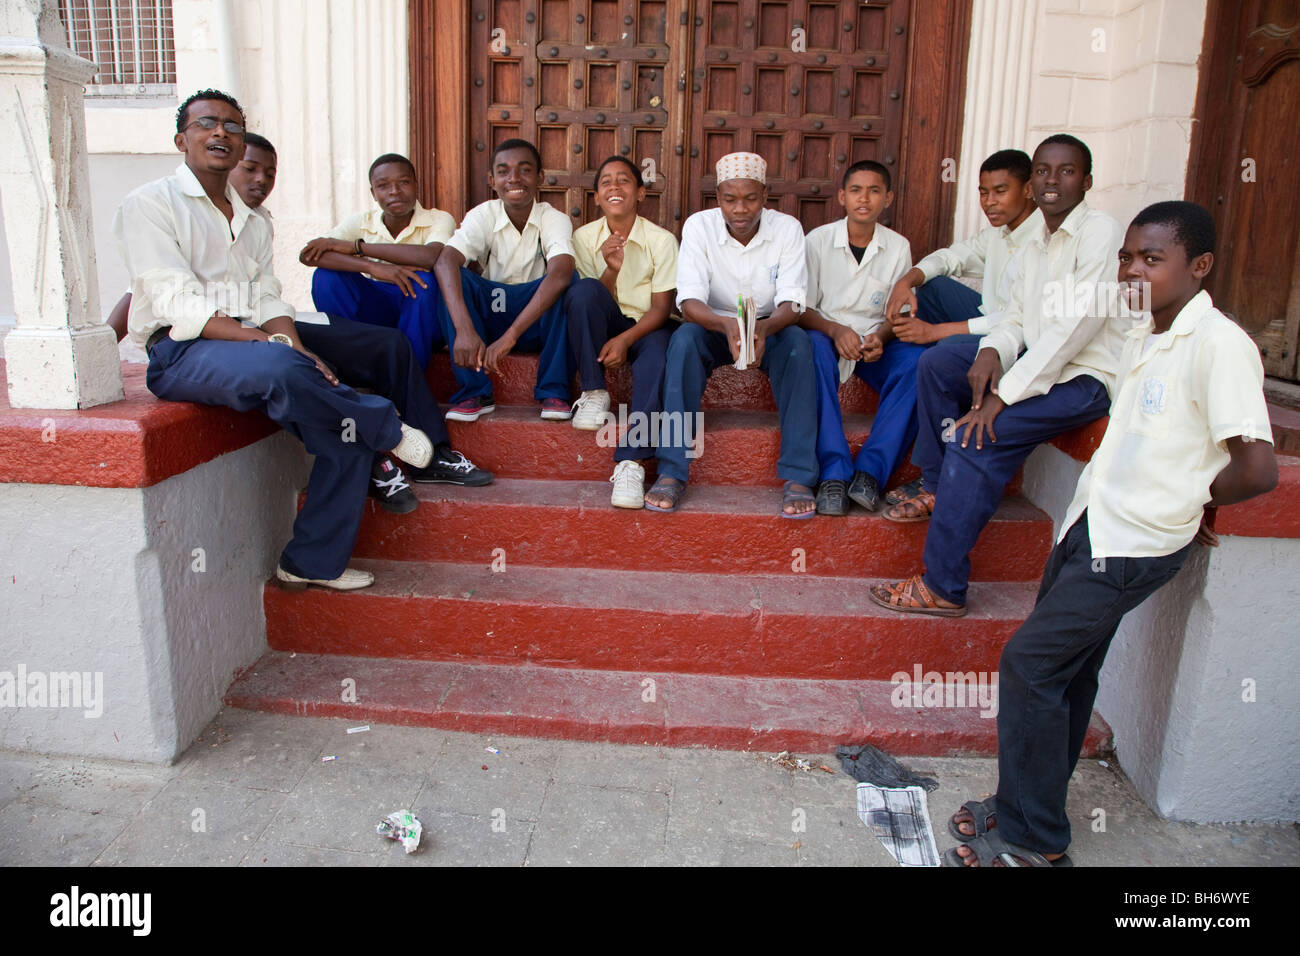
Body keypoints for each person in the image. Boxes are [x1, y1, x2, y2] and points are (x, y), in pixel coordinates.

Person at [946, 201, 1277, 867]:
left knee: (1031, 663)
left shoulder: (1219, 345)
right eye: (1127, 256)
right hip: (1092, 522)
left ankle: (1033, 842)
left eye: (1151, 259)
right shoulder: (1145, 331)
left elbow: (1257, 467)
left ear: (1199, 266)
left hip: (1135, 543)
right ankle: (1024, 807)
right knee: (1067, 671)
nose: (1132, 270)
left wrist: (1194, 499)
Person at [114, 89, 447, 590]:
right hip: (182, 349)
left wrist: (296, 344)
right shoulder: (151, 205)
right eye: (207, 124)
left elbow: (269, 298)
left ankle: (310, 562)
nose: (221, 133)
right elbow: (179, 304)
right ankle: (385, 427)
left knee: (350, 388)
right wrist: (271, 347)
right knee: (290, 370)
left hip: (250, 335)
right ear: (182, 139)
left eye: (232, 125)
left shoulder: (254, 220)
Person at [871, 134, 1125, 615]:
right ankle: (935, 482)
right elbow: (1016, 319)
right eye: (1045, 171)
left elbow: (1075, 328)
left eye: (1066, 171)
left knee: (974, 438)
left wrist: (1002, 394)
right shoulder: (1035, 245)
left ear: (1086, 181)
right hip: (1039, 364)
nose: (1053, 181)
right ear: (1035, 181)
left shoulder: (1100, 233)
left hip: (1083, 378)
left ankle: (942, 586)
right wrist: (991, 352)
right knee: (942, 362)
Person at [643, 152, 818, 517]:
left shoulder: (787, 229)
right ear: (717, 197)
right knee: (683, 343)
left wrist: (763, 329)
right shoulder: (698, 226)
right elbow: (689, 300)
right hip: (714, 325)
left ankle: (800, 476)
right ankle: (673, 470)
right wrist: (727, 326)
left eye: (750, 198)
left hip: (772, 326)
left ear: (765, 196)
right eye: (729, 199)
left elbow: (794, 302)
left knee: (800, 347)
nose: (740, 209)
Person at [800, 160, 921, 515]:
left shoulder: (898, 247)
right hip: (826, 332)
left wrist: (881, 336)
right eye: (855, 190)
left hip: (873, 344)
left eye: (874, 191)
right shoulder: (818, 241)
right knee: (812, 350)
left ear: (888, 199)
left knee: (918, 364)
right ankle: (834, 473)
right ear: (842, 197)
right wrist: (836, 331)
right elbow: (800, 309)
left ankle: (870, 471)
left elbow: (896, 311)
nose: (864, 198)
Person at [433, 139, 577, 421]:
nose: (514, 179)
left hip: (535, 319)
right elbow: (446, 259)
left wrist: (510, 336)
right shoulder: (483, 214)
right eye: (504, 171)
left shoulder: (553, 218)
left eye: (524, 170)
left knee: (568, 282)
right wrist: (464, 330)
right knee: (453, 277)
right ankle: (475, 391)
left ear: (540, 177)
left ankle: (554, 390)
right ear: (492, 180)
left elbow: (561, 270)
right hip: (491, 317)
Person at [565, 156, 679, 508]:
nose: (615, 187)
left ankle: (632, 461)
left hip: (648, 325)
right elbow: (589, 302)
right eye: (606, 183)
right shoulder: (583, 238)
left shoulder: (662, 240)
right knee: (581, 291)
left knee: (658, 357)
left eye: (624, 181)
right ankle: (595, 390)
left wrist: (626, 340)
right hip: (607, 322)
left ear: (641, 192)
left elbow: (662, 309)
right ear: (597, 197)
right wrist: (611, 270)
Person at [106, 131, 280, 342]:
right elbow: (141, 290)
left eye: (270, 174)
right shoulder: (171, 204)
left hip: (241, 319)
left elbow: (262, 290)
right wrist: (104, 347)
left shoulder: (258, 220)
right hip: (194, 328)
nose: (262, 180)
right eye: (250, 169)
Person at [300, 153, 455, 361]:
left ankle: (408, 372)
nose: (395, 192)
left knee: (423, 281)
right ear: (373, 193)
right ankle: (348, 363)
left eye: (404, 182)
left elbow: (429, 257)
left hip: (425, 319)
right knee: (326, 277)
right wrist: (373, 267)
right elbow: (309, 256)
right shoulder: (363, 221)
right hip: (379, 311)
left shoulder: (438, 219)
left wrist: (357, 247)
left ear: (416, 185)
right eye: (383, 186)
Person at [885, 149, 1038, 347]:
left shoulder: (1045, 238)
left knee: (945, 350)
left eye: (1000, 191)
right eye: (983, 193)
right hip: (990, 319)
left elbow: (1021, 320)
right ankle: (922, 357)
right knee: (933, 286)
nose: (989, 201)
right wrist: (906, 281)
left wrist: (936, 332)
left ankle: (939, 357)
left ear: (1029, 189)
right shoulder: (998, 233)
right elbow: (951, 257)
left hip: (1021, 339)